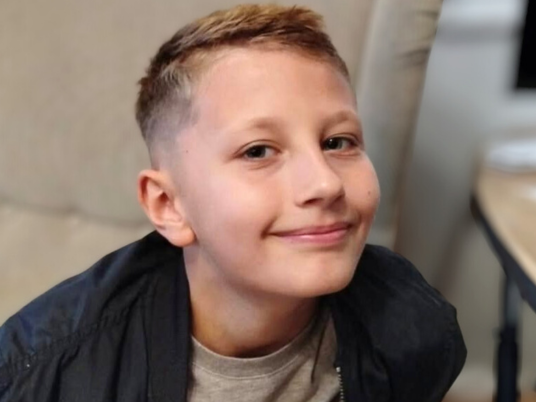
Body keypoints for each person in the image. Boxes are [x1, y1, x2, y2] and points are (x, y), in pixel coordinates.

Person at [0, 4, 466, 401]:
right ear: (168, 205)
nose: (325, 184)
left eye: (338, 142)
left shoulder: (414, 327)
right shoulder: (42, 378)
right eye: (258, 151)